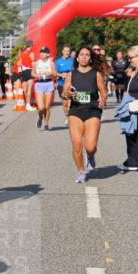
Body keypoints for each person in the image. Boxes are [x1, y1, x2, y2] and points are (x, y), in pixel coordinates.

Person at [61, 46, 106, 183]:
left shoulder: (96, 74)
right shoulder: (71, 75)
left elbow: (103, 91)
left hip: (92, 111)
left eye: (87, 55)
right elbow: (64, 93)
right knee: (76, 145)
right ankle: (81, 171)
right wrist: (68, 93)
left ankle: (91, 156)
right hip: (76, 111)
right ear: (77, 58)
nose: (84, 57)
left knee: (90, 146)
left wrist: (102, 99)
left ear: (90, 58)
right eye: (82, 54)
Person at [33, 45, 58, 129]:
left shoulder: (51, 63)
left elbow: (55, 74)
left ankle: (46, 124)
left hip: (48, 84)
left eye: (44, 52)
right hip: (39, 84)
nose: (42, 54)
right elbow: (32, 73)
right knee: (41, 107)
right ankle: (40, 118)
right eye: (41, 52)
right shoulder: (36, 63)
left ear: (48, 54)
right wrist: (37, 75)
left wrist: (50, 73)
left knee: (47, 107)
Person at [18, 43, 35, 109]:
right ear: (30, 47)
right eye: (31, 47)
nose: (31, 48)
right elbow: (33, 63)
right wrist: (34, 72)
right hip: (29, 71)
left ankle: (27, 103)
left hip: (23, 71)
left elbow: (19, 63)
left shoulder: (21, 53)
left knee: (25, 89)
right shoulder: (31, 53)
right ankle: (28, 104)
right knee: (28, 88)